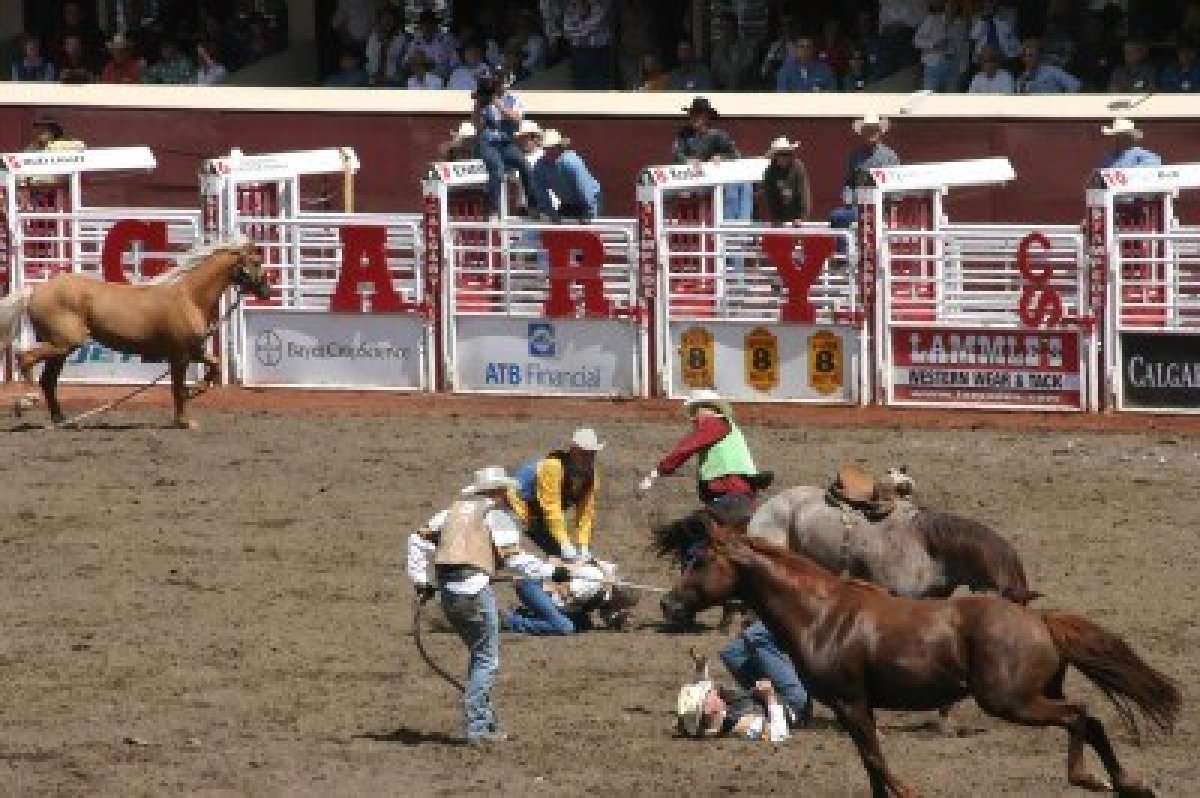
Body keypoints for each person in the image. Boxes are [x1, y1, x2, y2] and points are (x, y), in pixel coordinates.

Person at [406, 465, 573, 745]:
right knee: (486, 658)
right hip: (474, 593)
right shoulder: (497, 517)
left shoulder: (450, 513)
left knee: (479, 654)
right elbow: (515, 559)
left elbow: (416, 539)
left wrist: (422, 581)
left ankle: (483, 717)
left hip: (449, 594)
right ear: (499, 491)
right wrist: (551, 572)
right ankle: (478, 727)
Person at [639, 389, 769, 508]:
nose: (694, 418)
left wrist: (659, 471)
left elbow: (686, 448)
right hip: (739, 490)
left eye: (695, 412)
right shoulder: (727, 426)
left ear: (704, 408)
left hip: (729, 488)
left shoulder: (714, 423)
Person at [509, 428, 604, 560]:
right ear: (573, 451)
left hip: (539, 516)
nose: (588, 458)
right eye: (584, 453)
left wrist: (583, 545)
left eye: (592, 454)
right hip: (516, 509)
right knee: (533, 560)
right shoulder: (553, 467)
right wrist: (565, 543)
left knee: (558, 557)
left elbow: (585, 513)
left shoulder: (591, 476)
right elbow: (551, 508)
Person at [674, 650, 794, 742]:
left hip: (764, 693)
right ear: (709, 709)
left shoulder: (715, 713)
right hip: (791, 702)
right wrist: (770, 697)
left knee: (733, 652)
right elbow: (780, 734)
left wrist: (700, 668)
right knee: (757, 637)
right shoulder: (744, 725)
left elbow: (702, 684)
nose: (714, 690)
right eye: (710, 693)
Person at [502, 560, 638, 634]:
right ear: (618, 598)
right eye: (622, 607)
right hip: (533, 585)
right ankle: (509, 621)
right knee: (564, 626)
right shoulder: (593, 585)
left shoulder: (607, 576)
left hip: (540, 585)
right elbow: (560, 591)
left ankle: (529, 614)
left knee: (584, 623)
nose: (619, 610)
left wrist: (618, 621)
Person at [473, 74, 535, 218]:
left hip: (506, 143)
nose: (499, 86)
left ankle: (533, 205)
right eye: (496, 83)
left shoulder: (513, 99)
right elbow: (478, 126)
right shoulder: (484, 100)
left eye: (501, 83)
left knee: (525, 166)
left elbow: (516, 119)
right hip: (489, 143)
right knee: (497, 170)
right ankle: (492, 210)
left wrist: (498, 104)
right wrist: (478, 104)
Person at [830, 113, 901, 228]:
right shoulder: (855, 156)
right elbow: (849, 182)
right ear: (862, 133)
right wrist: (848, 200)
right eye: (867, 130)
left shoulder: (890, 157)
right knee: (837, 216)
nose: (871, 133)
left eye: (873, 130)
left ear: (880, 132)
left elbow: (896, 189)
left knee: (838, 216)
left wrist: (891, 211)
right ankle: (845, 246)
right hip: (858, 207)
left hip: (880, 208)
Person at [532, 129, 602, 223]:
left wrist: (588, 212)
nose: (548, 150)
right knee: (562, 232)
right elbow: (541, 194)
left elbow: (584, 188)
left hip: (591, 199)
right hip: (567, 202)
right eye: (546, 148)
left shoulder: (570, 160)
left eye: (552, 147)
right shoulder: (539, 166)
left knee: (588, 233)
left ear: (559, 147)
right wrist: (551, 214)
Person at [759, 137, 811, 226]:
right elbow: (770, 197)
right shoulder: (770, 172)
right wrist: (776, 218)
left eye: (787, 154)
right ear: (775, 156)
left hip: (797, 214)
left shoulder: (798, 168)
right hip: (779, 215)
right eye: (781, 154)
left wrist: (801, 217)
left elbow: (803, 194)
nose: (784, 157)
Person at [672, 97, 738, 165]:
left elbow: (735, 155)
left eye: (698, 114)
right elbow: (677, 155)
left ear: (707, 116)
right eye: (692, 114)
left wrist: (722, 158)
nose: (694, 117)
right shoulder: (684, 134)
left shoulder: (719, 135)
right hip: (692, 172)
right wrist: (688, 161)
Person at [711, 11, 757, 91]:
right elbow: (714, 70)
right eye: (723, 28)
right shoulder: (718, 47)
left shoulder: (746, 47)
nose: (726, 32)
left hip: (742, 87)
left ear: (735, 28)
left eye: (729, 28)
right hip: (722, 88)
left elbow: (743, 71)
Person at [1015, 38, 1081, 94]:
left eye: (1031, 56)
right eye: (1025, 56)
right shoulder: (1021, 80)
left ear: (1039, 56)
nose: (1028, 59)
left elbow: (1075, 85)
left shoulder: (1052, 71)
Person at [364, 5, 406, 86]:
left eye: (390, 19)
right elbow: (369, 54)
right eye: (384, 18)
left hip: (392, 74)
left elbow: (395, 55)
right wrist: (380, 42)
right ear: (380, 20)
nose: (387, 21)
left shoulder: (400, 36)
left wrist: (387, 42)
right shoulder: (374, 35)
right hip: (373, 72)